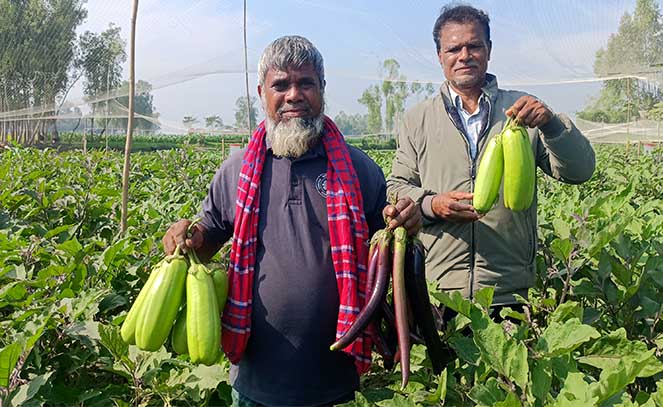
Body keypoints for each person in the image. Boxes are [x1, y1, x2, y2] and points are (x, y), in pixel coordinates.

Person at [163, 36, 422, 407]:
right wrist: (187, 236)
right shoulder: (236, 170)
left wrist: (406, 222)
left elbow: (386, 242)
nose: (294, 95)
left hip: (336, 378)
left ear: (322, 89)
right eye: (281, 84)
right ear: (261, 92)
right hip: (256, 379)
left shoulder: (359, 169)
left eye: (306, 83)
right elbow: (207, 239)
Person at [387, 4, 596, 317]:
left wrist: (551, 123)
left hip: (507, 290)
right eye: (454, 48)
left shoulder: (522, 111)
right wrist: (433, 205)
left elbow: (580, 171)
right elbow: (396, 187)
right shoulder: (418, 119)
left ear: (489, 50)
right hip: (440, 291)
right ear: (440, 56)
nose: (464, 55)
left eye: (474, 46)